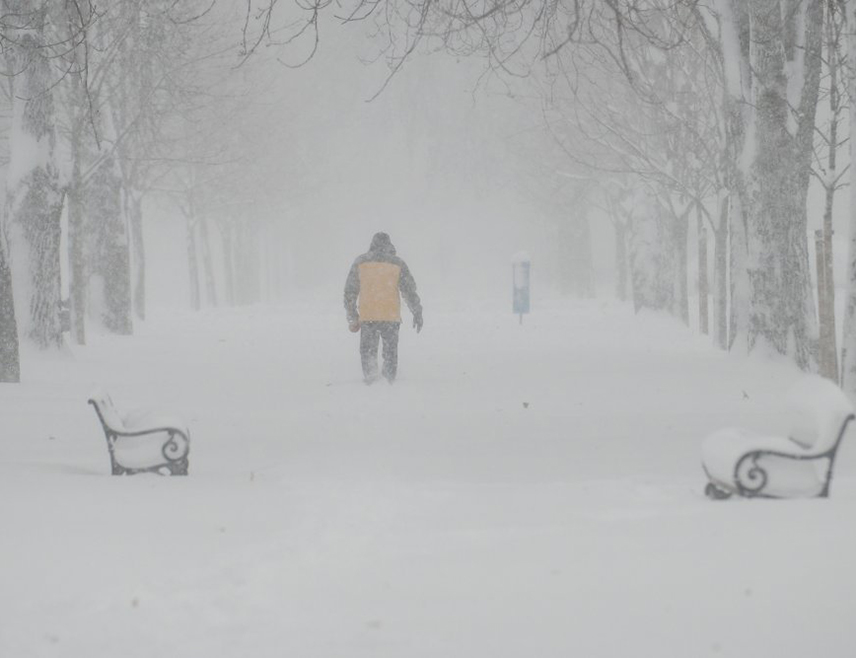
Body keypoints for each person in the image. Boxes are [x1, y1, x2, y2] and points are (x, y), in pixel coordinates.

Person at [344, 232, 423, 384]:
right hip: (390, 316)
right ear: (389, 245)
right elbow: (409, 290)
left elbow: (350, 292)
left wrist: (352, 316)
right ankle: (389, 381)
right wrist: (417, 311)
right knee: (390, 353)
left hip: (368, 316)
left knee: (368, 352)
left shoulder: (361, 262)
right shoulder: (397, 263)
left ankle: (370, 378)